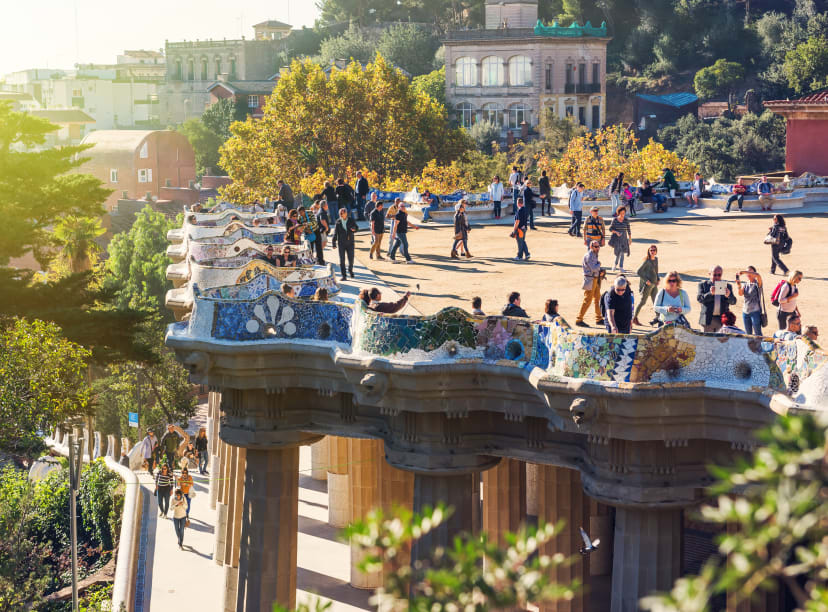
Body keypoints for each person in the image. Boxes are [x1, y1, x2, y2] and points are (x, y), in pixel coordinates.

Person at [697, 265, 737, 333]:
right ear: (709, 274)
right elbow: (699, 299)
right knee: (706, 342)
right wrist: (710, 294)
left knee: (721, 342)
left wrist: (728, 296)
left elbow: (733, 302)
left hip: (721, 320)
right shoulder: (703, 285)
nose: (717, 277)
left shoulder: (727, 286)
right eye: (714, 275)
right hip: (707, 320)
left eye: (719, 275)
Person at [576, 240, 604, 327]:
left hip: (594, 279)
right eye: (596, 246)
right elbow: (594, 268)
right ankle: (579, 319)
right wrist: (599, 264)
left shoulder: (593, 254)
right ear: (591, 247)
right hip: (590, 280)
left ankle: (598, 318)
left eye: (598, 246)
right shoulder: (589, 256)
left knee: (597, 299)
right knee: (587, 300)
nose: (598, 248)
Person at [633, 245, 659, 327]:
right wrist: (646, 281)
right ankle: (634, 318)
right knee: (643, 302)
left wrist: (658, 279)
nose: (652, 251)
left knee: (656, 301)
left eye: (654, 250)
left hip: (654, 284)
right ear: (648, 251)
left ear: (656, 251)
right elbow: (639, 272)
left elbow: (656, 271)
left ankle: (658, 318)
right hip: (648, 285)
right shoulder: (647, 261)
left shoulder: (656, 259)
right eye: (651, 250)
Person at [735, 266, 764, 336]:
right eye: (747, 272)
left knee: (758, 333)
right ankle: (750, 347)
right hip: (745, 312)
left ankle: (759, 347)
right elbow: (740, 294)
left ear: (754, 273)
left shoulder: (758, 284)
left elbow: (758, 275)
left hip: (755, 312)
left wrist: (744, 272)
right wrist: (738, 285)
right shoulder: (746, 284)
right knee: (748, 334)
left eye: (750, 272)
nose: (748, 274)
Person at [331, 207, 358, 280]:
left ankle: (350, 270)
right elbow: (335, 233)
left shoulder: (351, 220)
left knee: (351, 259)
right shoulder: (338, 222)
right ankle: (344, 275)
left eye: (342, 213)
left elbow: (356, 228)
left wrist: (354, 229)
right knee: (342, 260)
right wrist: (333, 243)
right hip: (341, 243)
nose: (341, 215)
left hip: (350, 243)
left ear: (346, 213)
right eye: (340, 214)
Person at [608, 206, 631, 272]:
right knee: (617, 253)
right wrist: (616, 232)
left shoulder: (626, 220)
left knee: (622, 253)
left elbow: (628, 229)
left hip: (624, 237)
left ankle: (621, 267)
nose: (622, 214)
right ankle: (615, 265)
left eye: (624, 213)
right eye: (621, 213)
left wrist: (630, 239)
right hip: (616, 238)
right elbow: (610, 229)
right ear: (618, 213)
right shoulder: (614, 220)